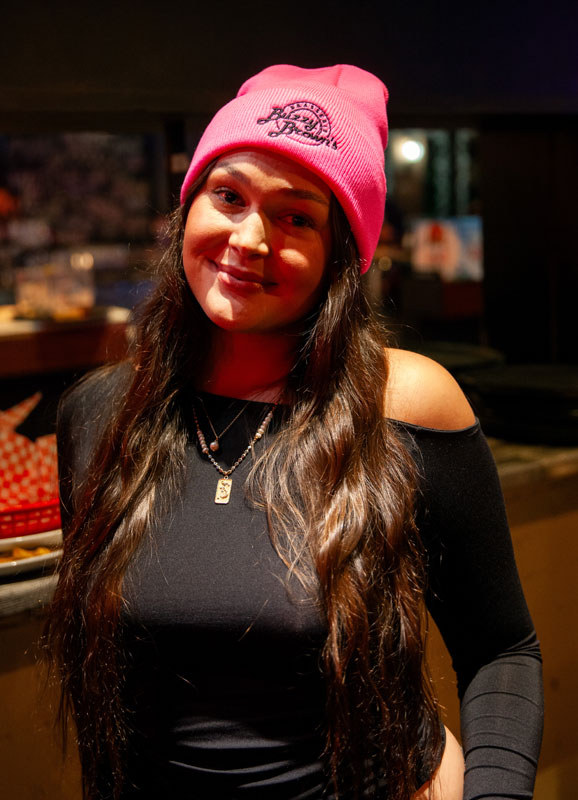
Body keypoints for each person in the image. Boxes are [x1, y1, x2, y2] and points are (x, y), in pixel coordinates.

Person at [45, 65, 543, 800]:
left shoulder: (405, 404)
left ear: (341, 255)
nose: (249, 238)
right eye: (229, 196)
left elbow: (502, 651)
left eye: (297, 218)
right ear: (188, 207)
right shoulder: (98, 414)